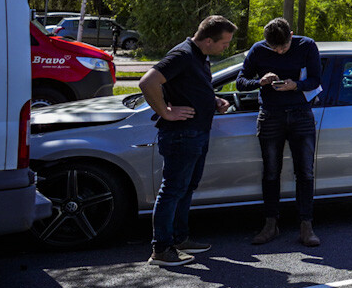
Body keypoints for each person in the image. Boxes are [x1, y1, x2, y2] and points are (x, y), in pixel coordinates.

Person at [139, 16, 236, 266]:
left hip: (197, 133)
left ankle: (179, 239)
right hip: (182, 134)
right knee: (172, 190)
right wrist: (165, 112)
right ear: (208, 40)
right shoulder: (182, 55)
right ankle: (161, 249)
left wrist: (213, 100)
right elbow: (147, 82)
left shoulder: (199, 56)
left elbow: (190, 86)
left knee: (185, 188)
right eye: (224, 43)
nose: (226, 48)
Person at [235, 17, 325, 248]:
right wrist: (261, 82)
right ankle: (270, 225)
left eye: (283, 47)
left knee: (305, 172)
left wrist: (296, 85)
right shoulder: (258, 50)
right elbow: (241, 82)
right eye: (274, 48)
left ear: (291, 35)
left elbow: (316, 79)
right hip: (270, 115)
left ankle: (306, 226)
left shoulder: (307, 45)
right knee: (271, 172)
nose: (279, 51)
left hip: (301, 114)